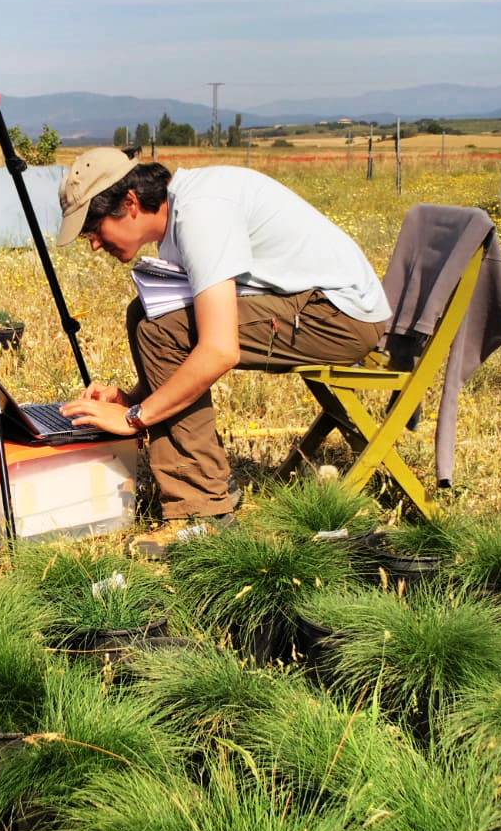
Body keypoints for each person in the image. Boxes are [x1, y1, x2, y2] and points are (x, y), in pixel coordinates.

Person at [56, 149, 390, 553]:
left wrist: (134, 418)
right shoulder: (181, 214)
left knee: (162, 325)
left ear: (129, 203)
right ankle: (203, 492)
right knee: (148, 314)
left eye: (93, 227)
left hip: (340, 319)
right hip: (323, 307)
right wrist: (134, 396)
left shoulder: (199, 216)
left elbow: (218, 349)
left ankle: (204, 511)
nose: (93, 244)